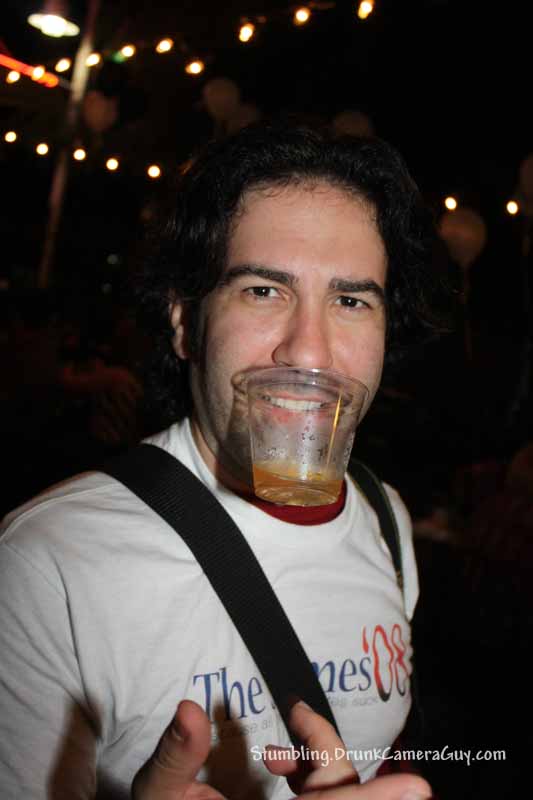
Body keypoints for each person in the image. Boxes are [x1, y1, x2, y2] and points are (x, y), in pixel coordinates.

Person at [0, 121, 447, 800]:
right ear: (185, 323)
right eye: (263, 290)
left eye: (351, 300)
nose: (309, 351)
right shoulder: (48, 563)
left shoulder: (386, 519)